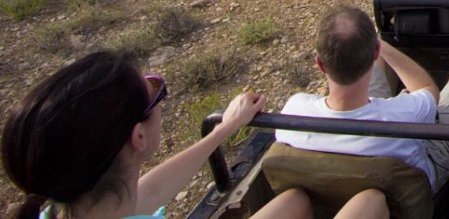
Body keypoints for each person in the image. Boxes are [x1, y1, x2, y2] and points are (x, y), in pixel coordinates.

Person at [0, 50, 386, 219]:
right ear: (137, 138)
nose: (160, 97)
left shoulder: (60, 205)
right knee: (369, 204)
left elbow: (146, 193)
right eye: (155, 93)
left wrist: (225, 129)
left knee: (296, 202)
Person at [276, 5, 449, 194]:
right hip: (417, 180)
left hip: (346, 186)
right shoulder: (405, 115)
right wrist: (380, 43)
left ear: (320, 64)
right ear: (375, 52)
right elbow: (428, 90)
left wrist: (375, 51)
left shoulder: (293, 112)